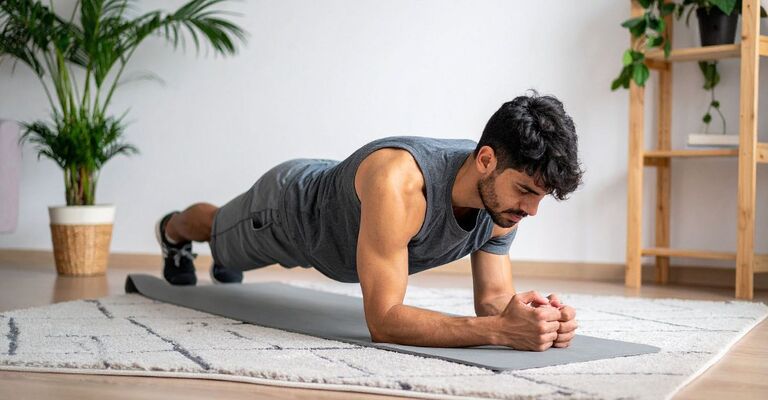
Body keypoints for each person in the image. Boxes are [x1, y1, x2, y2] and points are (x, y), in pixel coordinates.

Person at [155, 90, 584, 351]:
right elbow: (383, 321)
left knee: (232, 262)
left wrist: (530, 319)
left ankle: (228, 259)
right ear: (486, 160)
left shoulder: (502, 205)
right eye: (527, 192)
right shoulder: (400, 184)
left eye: (541, 197)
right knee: (216, 232)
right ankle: (172, 230)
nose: (531, 212)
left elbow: (493, 301)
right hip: (286, 213)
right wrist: (500, 333)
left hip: (341, 205)